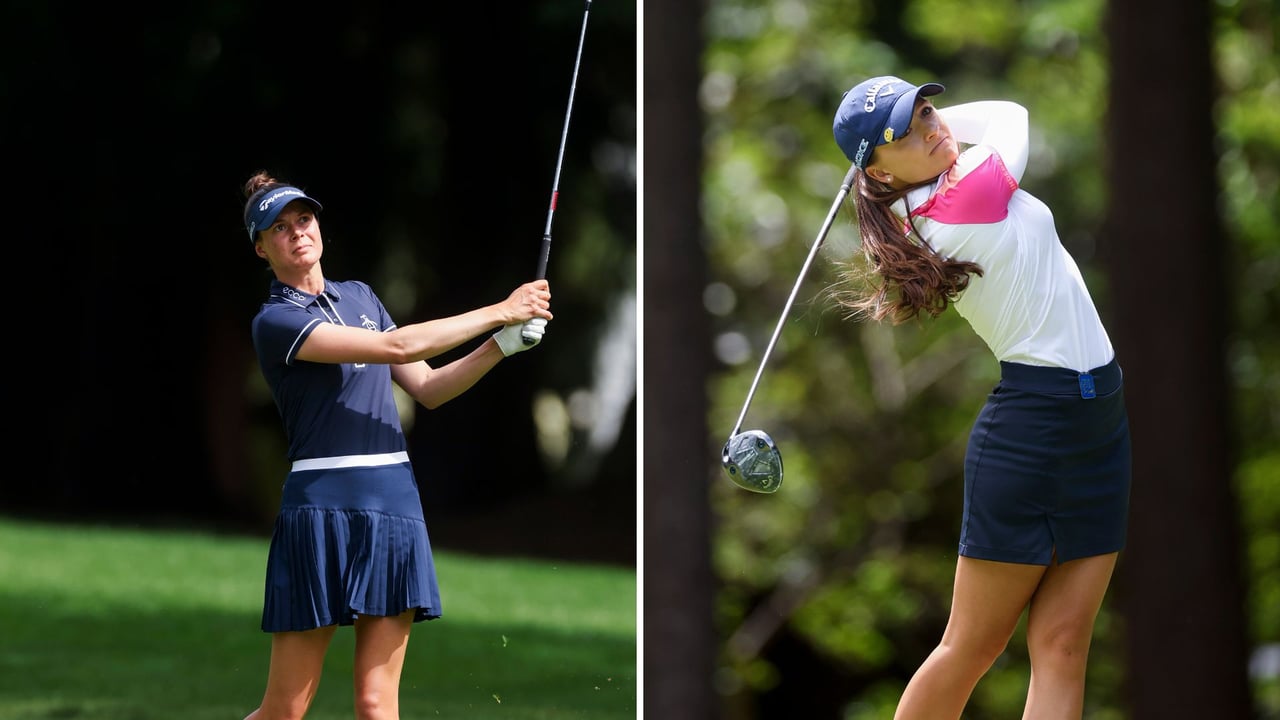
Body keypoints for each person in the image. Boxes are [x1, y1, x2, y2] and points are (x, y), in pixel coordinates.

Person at [829, 77, 1131, 719]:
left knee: (1064, 644)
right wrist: (904, 140)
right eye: (906, 134)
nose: (934, 130)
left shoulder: (937, 187)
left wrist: (909, 131)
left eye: (929, 111)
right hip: (1035, 429)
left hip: (1098, 421)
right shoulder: (960, 199)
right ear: (878, 174)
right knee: (971, 645)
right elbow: (1013, 114)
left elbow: (986, 124)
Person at [238, 171, 552, 720]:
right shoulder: (277, 321)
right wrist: (502, 310)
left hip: (392, 506)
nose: (297, 233)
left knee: (377, 705)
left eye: (304, 219)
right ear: (261, 248)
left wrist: (501, 346)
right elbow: (400, 348)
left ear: (319, 225)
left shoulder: (360, 296)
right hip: (320, 510)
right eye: (279, 228)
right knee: (284, 711)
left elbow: (427, 388)